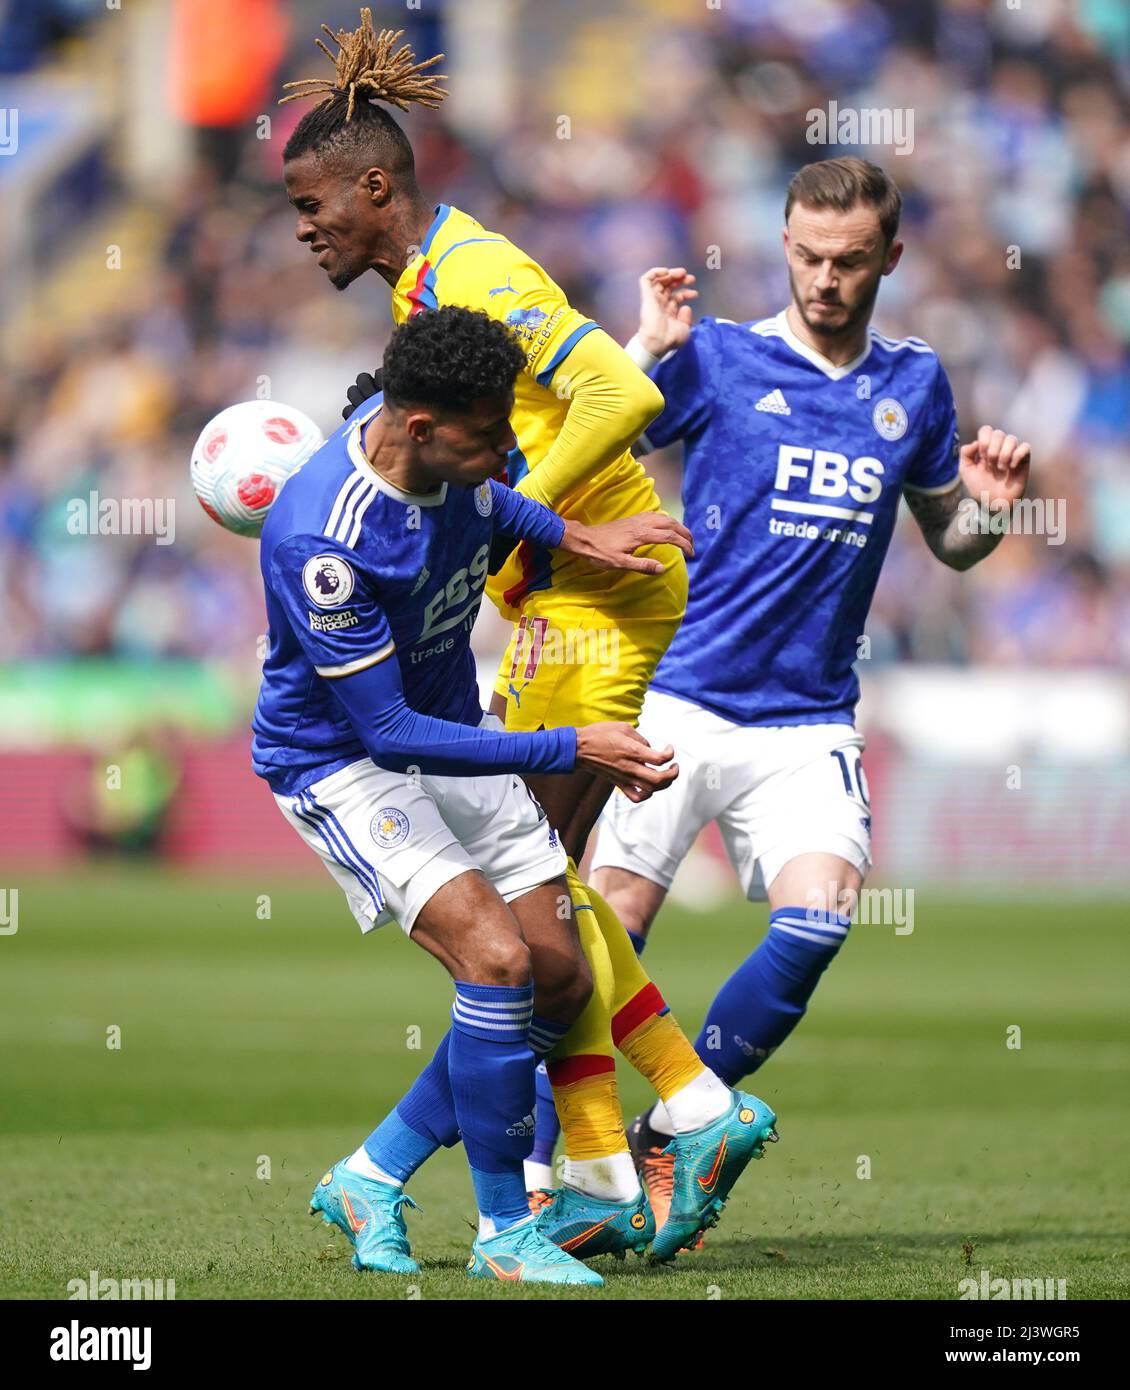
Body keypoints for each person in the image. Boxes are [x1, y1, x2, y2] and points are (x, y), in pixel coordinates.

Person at [279, 9, 779, 1262]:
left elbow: (619, 392)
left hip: (585, 595)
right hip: (557, 584)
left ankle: (646, 1134)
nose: (301, 226)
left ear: (373, 185)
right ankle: (612, 1155)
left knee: (524, 938)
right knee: (538, 928)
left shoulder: (474, 272)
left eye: (310, 200)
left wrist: (527, 525)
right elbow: (579, 388)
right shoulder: (425, 288)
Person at [587, 157, 1032, 1228]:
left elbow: (951, 542)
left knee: (818, 919)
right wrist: (639, 349)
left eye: (845, 261)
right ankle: (573, 1172)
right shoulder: (721, 358)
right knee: (601, 936)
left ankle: (673, 1128)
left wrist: (986, 511)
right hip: (676, 696)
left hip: (805, 717)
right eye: (804, 256)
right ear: (782, 245)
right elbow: (594, 432)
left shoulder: (913, 384)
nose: (823, 279)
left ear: (888, 255)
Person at [252, 305, 690, 1285]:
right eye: (488, 436)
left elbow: (499, 509)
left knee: (560, 980)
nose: (504, 453)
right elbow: (387, 732)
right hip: (345, 763)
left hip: (454, 742)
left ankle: (372, 1173)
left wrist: (581, 534)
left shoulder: (456, 465)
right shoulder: (325, 542)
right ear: (417, 428)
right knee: (494, 962)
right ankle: (504, 1231)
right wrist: (572, 743)